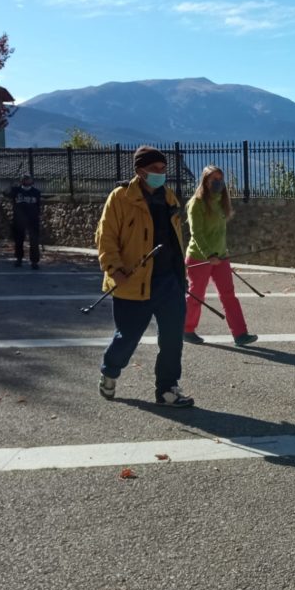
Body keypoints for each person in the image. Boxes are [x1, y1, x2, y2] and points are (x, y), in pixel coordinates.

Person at [95, 146, 193, 408]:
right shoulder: (120, 198)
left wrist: (180, 275)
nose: (162, 174)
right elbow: (105, 237)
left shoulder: (170, 197)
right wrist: (114, 269)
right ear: (140, 171)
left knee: (172, 338)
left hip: (169, 281)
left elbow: (176, 239)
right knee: (127, 337)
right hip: (133, 282)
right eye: (155, 169)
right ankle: (110, 371)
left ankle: (167, 389)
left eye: (164, 169)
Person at [183, 165, 257, 347]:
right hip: (200, 257)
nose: (218, 182)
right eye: (214, 179)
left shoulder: (222, 201)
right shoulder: (196, 203)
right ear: (205, 181)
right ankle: (187, 329)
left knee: (229, 294)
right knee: (196, 295)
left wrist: (222, 252)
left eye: (220, 179)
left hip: (221, 257)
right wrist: (209, 254)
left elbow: (219, 232)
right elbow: (196, 233)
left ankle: (240, 334)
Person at [3, 173, 42, 269]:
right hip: (19, 219)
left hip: (32, 220)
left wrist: (38, 216)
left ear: (32, 181)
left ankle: (34, 261)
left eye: (29, 179)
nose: (27, 181)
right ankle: (19, 259)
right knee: (19, 240)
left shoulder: (36, 192)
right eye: (25, 179)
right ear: (21, 181)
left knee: (34, 241)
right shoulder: (16, 191)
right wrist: (10, 186)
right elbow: (4, 193)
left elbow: (38, 205)